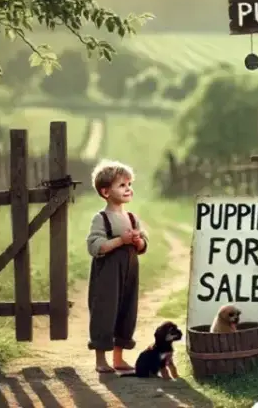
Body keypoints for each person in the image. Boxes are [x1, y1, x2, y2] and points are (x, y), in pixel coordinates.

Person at [86, 160, 149, 373]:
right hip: (108, 275)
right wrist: (120, 241)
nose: (128, 188)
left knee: (126, 310)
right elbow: (96, 247)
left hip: (130, 272)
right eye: (122, 185)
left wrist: (138, 240)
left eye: (129, 184)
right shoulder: (101, 218)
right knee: (105, 311)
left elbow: (142, 246)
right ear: (105, 191)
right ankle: (100, 360)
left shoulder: (132, 217)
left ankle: (119, 358)